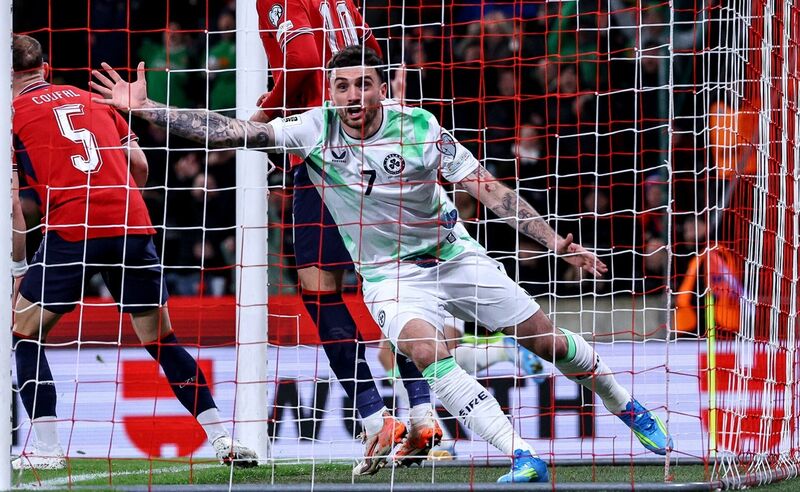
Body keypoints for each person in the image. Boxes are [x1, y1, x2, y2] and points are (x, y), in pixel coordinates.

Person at [91, 45, 674, 483]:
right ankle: (522, 454)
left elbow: (489, 189)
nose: (351, 97)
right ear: (331, 92)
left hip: (454, 253)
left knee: (546, 341)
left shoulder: (419, 128)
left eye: (363, 85)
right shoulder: (315, 129)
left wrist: (556, 244)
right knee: (424, 350)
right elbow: (233, 132)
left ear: (382, 88)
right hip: (392, 277)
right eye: (341, 86)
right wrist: (150, 110)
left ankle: (625, 404)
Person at [10, 34, 258, 470]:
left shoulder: (10, 115)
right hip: (131, 220)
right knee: (162, 341)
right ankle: (222, 437)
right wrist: (118, 208)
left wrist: (17, 268)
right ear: (45, 68)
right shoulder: (94, 99)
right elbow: (140, 166)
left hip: (72, 226)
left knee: (24, 333)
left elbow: (12, 203)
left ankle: (47, 449)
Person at [250, 0, 439, 474]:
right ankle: (422, 412)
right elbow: (372, 56)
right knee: (394, 283)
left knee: (320, 292)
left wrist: (266, 114)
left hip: (326, 153)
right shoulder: (343, 2)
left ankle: (376, 418)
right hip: (378, 150)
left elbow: (301, 58)